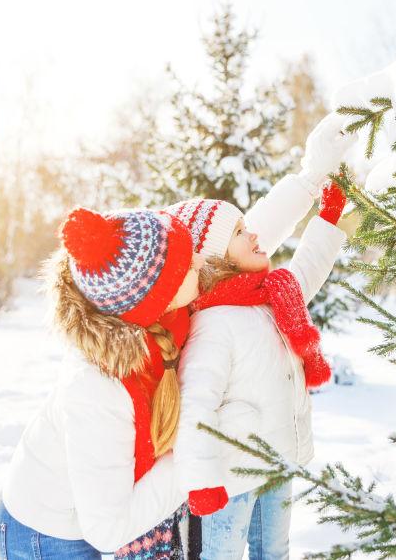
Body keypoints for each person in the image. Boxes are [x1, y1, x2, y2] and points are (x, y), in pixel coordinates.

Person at [0, 207, 226, 559]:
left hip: (85, 517)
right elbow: (109, 529)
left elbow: (242, 243)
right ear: (157, 295)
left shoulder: (161, 323)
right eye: (188, 263)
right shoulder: (98, 388)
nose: (200, 260)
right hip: (46, 537)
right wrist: (196, 460)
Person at [168, 175, 349, 559]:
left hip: (278, 460)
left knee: (274, 551)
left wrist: (327, 218)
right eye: (238, 232)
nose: (253, 236)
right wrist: (201, 483)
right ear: (215, 256)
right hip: (231, 477)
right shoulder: (213, 324)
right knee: (223, 554)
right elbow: (195, 408)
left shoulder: (269, 297)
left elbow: (309, 269)